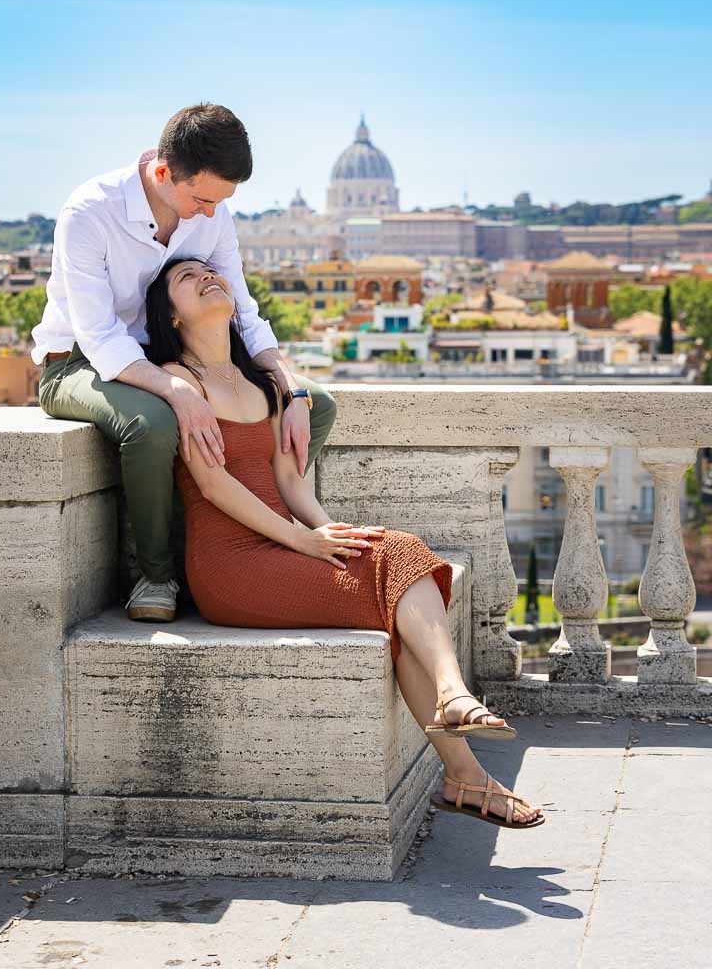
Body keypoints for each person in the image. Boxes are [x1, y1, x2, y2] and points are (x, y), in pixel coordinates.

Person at [142, 255, 545, 831]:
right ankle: (458, 719)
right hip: (231, 568)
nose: (208, 277)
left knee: (395, 554)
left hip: (283, 546)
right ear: (172, 315)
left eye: (212, 270)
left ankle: (464, 770)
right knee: (398, 563)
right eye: (188, 279)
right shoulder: (180, 382)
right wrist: (306, 543)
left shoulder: (264, 382)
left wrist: (330, 530)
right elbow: (213, 484)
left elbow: (287, 481)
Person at [33, 103, 336, 621]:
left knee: (320, 404)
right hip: (78, 363)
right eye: (201, 199)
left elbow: (242, 310)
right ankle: (156, 574)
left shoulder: (212, 213)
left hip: (166, 356)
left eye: (223, 201)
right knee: (151, 423)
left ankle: (251, 528)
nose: (211, 214)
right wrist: (177, 391)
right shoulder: (88, 212)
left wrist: (293, 390)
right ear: (161, 172)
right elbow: (101, 337)